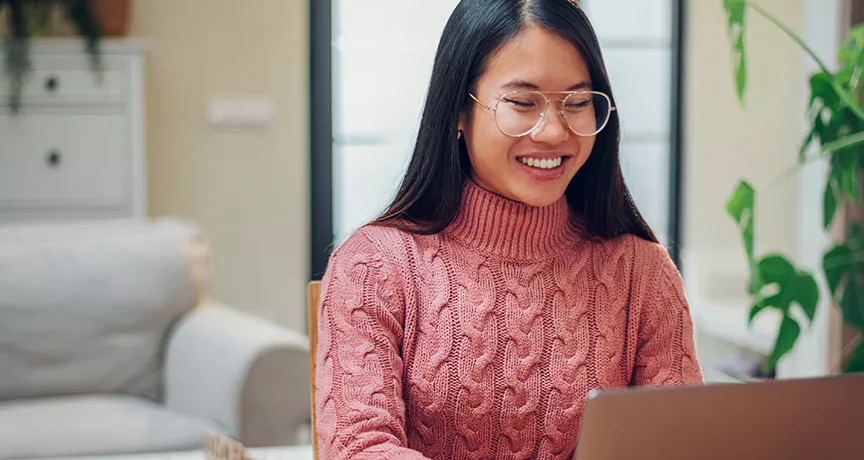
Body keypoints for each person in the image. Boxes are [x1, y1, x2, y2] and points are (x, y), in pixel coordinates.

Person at [314, 0, 704, 458]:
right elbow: (360, 447)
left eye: (577, 103)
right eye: (522, 102)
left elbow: (679, 445)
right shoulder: (374, 265)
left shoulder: (643, 273)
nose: (554, 132)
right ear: (459, 111)